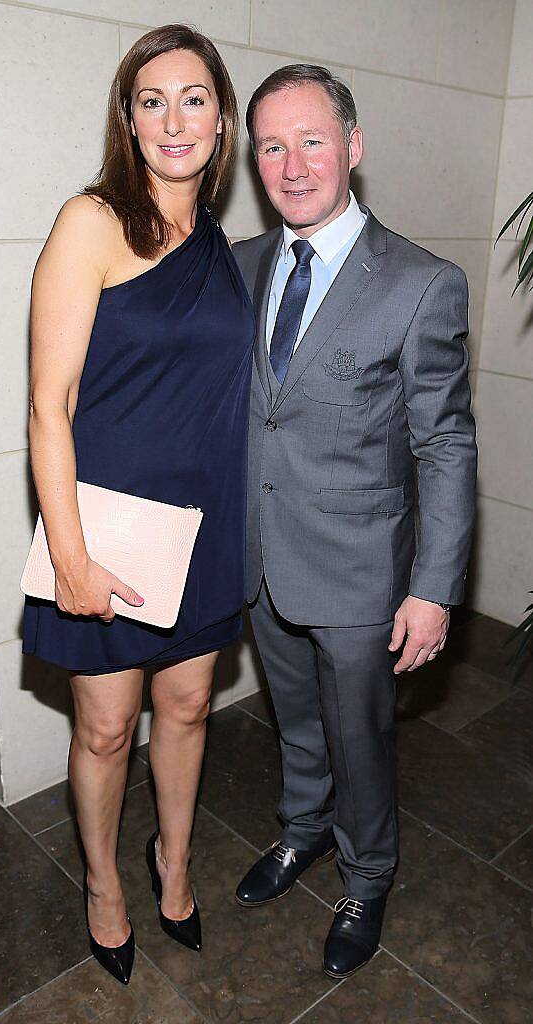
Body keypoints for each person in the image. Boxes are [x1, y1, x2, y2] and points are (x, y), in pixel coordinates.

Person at [232, 65, 477, 979]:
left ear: (353, 148)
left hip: (365, 573)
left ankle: (368, 874)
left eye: (312, 141)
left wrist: (434, 592)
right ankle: (304, 831)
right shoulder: (245, 263)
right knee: (293, 717)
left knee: (360, 736)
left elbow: (446, 445)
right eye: (271, 146)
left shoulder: (421, 284)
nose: (293, 165)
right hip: (264, 556)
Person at [22, 25, 255, 985]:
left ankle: (174, 864)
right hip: (108, 532)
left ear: (221, 121)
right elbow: (47, 404)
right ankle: (104, 886)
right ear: (128, 119)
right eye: (151, 99)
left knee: (192, 706)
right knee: (108, 728)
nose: (173, 118)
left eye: (193, 97)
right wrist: (70, 558)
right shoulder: (91, 222)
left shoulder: (221, 245)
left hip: (204, 527)